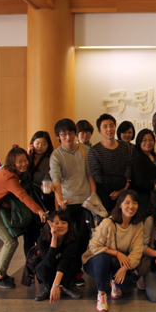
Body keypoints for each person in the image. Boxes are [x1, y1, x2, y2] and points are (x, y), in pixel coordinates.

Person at [0, 146, 47, 288]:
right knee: (10, 242)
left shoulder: (8, 170)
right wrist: (39, 211)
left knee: (11, 240)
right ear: (12, 163)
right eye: (19, 162)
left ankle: (0, 272)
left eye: (24, 160)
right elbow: (23, 196)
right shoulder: (9, 177)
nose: (23, 164)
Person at [50, 118, 97, 288]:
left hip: (85, 202)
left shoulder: (85, 150)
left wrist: (93, 196)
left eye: (70, 133)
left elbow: (90, 175)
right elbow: (55, 180)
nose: (68, 137)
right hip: (67, 203)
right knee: (67, 239)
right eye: (64, 134)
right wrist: (60, 199)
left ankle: (77, 272)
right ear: (59, 137)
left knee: (83, 238)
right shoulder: (56, 155)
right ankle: (63, 273)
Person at [82, 190, 144, 312]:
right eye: (127, 203)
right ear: (120, 205)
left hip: (117, 264)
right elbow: (93, 246)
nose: (131, 207)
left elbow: (137, 253)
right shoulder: (108, 223)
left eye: (134, 203)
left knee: (126, 281)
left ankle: (113, 282)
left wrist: (125, 268)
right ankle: (101, 295)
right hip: (94, 263)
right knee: (103, 256)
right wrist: (117, 253)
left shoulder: (138, 225)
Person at [34, 211, 81, 303]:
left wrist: (56, 284)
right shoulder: (42, 238)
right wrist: (54, 239)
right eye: (56, 223)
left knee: (73, 264)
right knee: (41, 268)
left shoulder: (73, 237)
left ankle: (65, 286)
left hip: (65, 266)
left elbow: (64, 260)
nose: (60, 226)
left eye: (64, 223)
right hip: (49, 266)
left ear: (69, 225)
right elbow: (49, 262)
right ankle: (48, 288)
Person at [88, 114, 132, 212]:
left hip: (123, 191)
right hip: (104, 194)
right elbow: (96, 175)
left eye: (111, 125)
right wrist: (115, 185)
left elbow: (128, 166)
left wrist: (122, 189)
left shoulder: (123, 146)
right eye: (105, 126)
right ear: (99, 131)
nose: (109, 129)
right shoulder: (95, 150)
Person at [24, 131, 55, 255]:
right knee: (27, 236)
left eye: (43, 143)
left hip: (43, 199)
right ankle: (29, 264)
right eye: (37, 143)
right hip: (27, 199)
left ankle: (42, 260)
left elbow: (50, 178)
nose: (40, 146)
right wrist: (28, 155)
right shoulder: (25, 159)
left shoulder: (50, 160)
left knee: (41, 233)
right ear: (32, 143)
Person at [132, 129, 156, 218]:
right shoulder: (138, 158)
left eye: (150, 140)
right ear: (139, 142)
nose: (148, 142)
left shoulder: (154, 156)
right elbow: (139, 181)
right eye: (144, 140)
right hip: (145, 200)